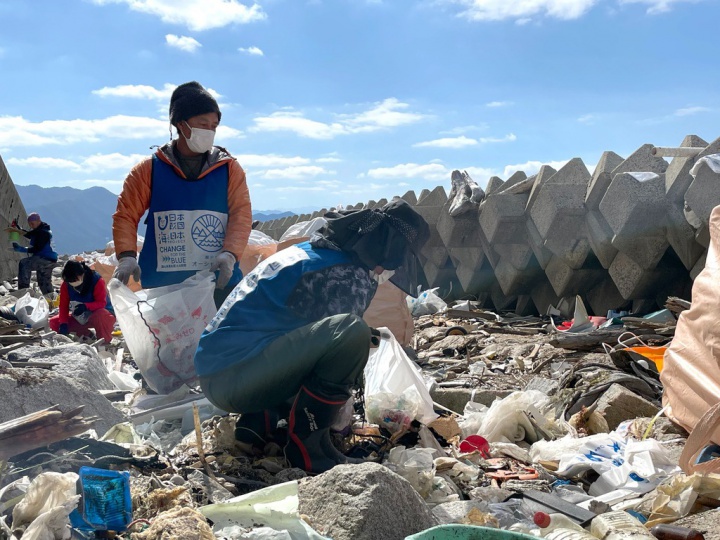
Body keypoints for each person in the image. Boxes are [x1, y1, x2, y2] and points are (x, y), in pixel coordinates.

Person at [194, 198, 430, 473]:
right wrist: (337, 419)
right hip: (237, 379)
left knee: (336, 335)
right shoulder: (348, 275)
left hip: (218, 373)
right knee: (351, 333)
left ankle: (258, 425)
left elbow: (296, 332)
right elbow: (335, 344)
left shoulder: (314, 253)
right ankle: (309, 449)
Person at [112, 81, 252, 305]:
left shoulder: (229, 169)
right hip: (164, 285)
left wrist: (230, 254)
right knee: (168, 340)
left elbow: (241, 213)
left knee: (218, 339)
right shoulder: (148, 170)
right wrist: (127, 256)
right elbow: (126, 214)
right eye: (202, 123)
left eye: (214, 126)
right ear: (181, 124)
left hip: (217, 280)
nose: (209, 131)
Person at [48, 260, 116, 344]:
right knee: (54, 322)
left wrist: (85, 306)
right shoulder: (66, 285)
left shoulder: (96, 280)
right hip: (81, 318)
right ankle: (86, 335)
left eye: (75, 279)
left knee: (100, 314)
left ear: (82, 274)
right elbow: (63, 306)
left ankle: (104, 342)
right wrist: (63, 323)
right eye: (70, 281)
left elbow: (102, 303)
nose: (73, 283)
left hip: (102, 314)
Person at [12, 212, 58, 295]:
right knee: (44, 282)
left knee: (24, 264)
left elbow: (37, 248)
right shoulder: (41, 230)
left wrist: (21, 249)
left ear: (38, 221)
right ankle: (51, 300)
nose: (31, 226)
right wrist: (18, 228)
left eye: (32, 224)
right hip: (50, 259)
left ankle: (23, 292)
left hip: (44, 258)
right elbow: (29, 234)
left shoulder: (43, 233)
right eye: (30, 224)